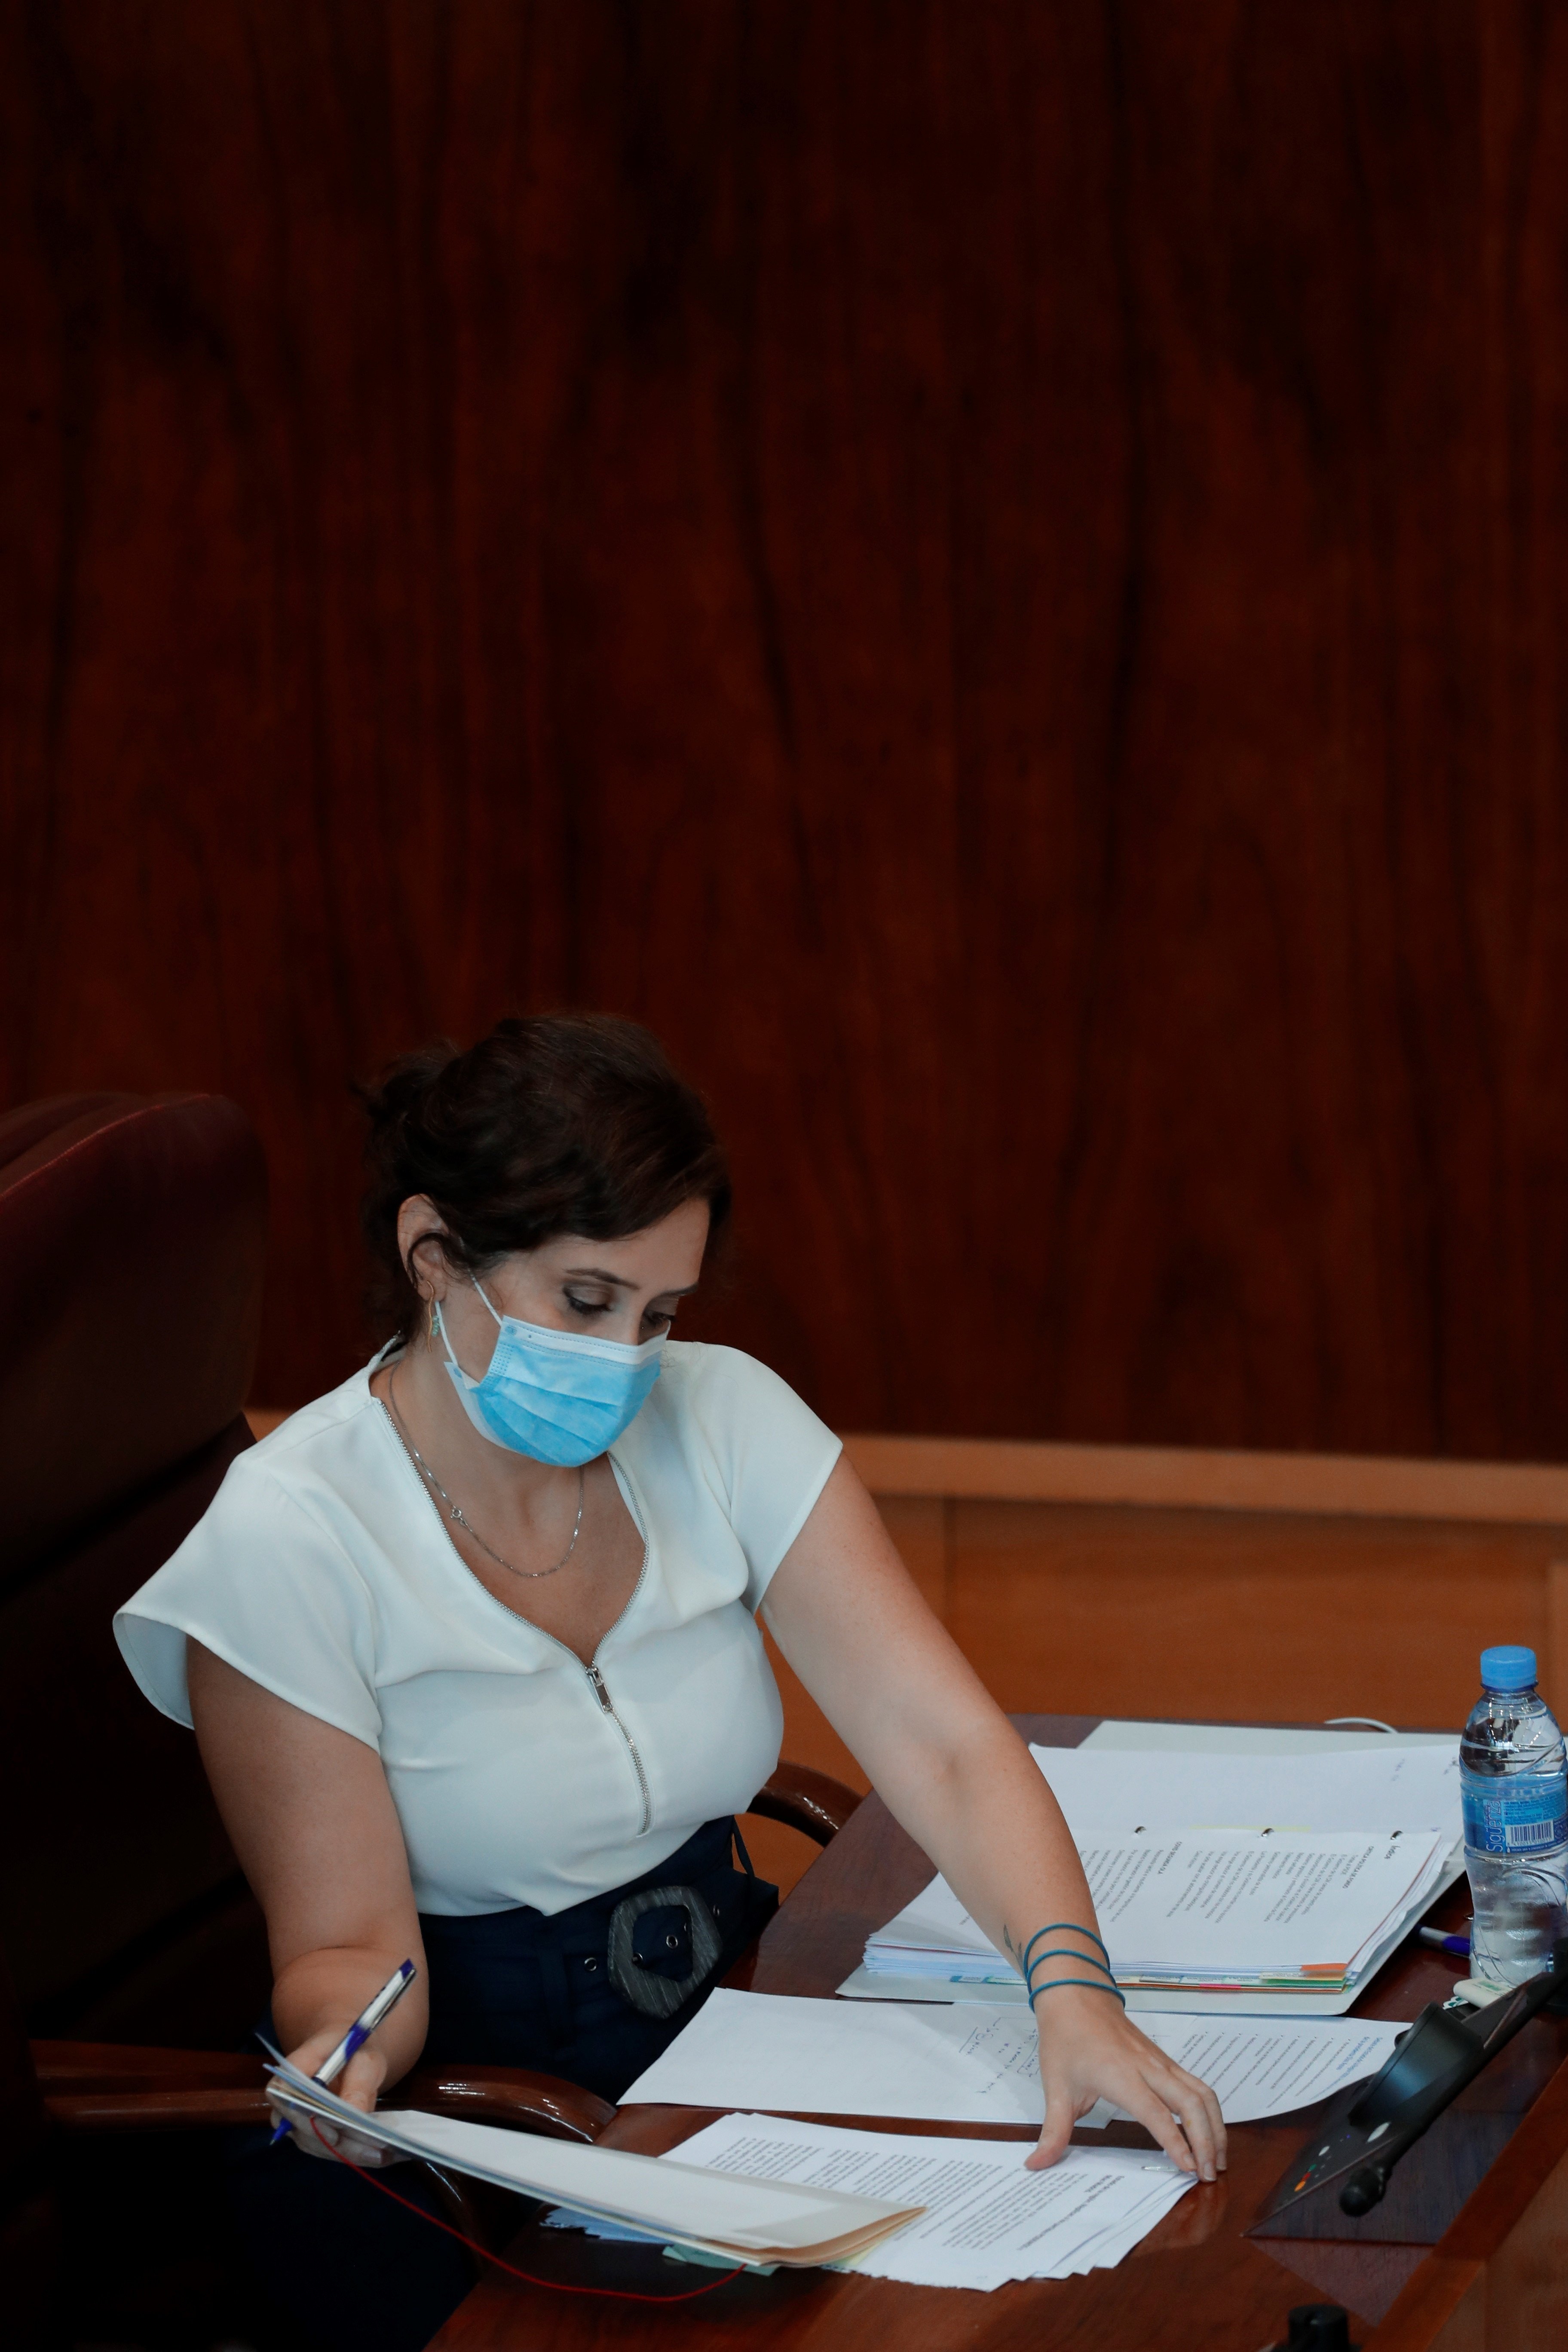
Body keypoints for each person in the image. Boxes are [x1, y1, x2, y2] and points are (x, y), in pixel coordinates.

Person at [114, 1014, 1224, 2349]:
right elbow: (351, 1948)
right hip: (466, 2115)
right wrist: (345, 2055)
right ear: (434, 1255)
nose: (625, 1363)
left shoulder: (723, 1414)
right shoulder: (289, 1534)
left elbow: (942, 1743)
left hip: (722, 2019)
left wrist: (1075, 1996)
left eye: (659, 1315)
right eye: (586, 1302)